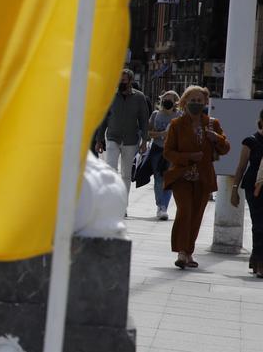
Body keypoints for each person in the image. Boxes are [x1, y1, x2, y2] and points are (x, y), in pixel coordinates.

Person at [163, 86, 229, 270]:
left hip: (203, 177)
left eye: (200, 101)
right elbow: (168, 152)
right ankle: (181, 252)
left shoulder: (212, 124)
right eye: (192, 100)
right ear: (184, 101)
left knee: (197, 215)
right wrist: (188, 157)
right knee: (185, 211)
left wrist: (216, 138)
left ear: (206, 103)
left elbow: (225, 148)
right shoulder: (177, 125)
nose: (196, 104)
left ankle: (189, 251)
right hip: (181, 176)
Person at [95, 69, 152, 214]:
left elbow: (144, 120)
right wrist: (99, 139)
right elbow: (104, 118)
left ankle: (123, 205)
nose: (121, 82)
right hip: (113, 137)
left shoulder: (139, 98)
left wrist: (145, 141)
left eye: (124, 80)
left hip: (131, 140)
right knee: (111, 169)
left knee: (126, 174)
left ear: (130, 81)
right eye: (119, 79)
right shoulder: (111, 96)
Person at [231, 108, 263, 277]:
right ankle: (259, 263)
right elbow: (241, 167)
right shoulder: (251, 141)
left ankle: (256, 258)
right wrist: (234, 190)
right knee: (259, 225)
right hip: (254, 187)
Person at [146, 91, 181, 220]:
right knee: (158, 179)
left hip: (172, 151)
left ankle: (163, 207)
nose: (167, 101)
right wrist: (163, 134)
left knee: (169, 179)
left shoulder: (179, 116)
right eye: (165, 99)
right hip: (157, 150)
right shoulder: (156, 115)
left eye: (170, 99)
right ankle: (159, 204)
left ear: (175, 101)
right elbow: (149, 132)